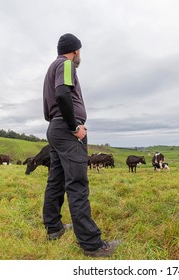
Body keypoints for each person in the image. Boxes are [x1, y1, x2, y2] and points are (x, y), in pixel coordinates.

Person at [42, 33, 120, 256]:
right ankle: (92, 245)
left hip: (55, 129)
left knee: (56, 180)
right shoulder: (66, 65)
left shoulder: (52, 66)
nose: (79, 56)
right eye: (79, 52)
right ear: (75, 51)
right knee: (77, 184)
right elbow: (63, 95)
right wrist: (75, 127)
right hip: (67, 131)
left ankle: (54, 228)